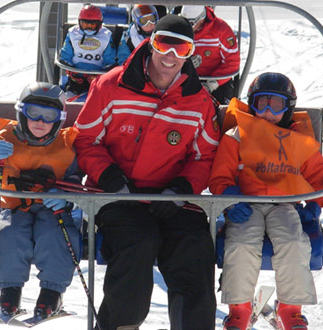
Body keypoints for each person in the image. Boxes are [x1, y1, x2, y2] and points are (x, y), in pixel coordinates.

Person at [73, 15, 220, 330]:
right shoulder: (113, 86)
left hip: (173, 200)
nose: (171, 56)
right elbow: (85, 139)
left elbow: (204, 155)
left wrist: (181, 190)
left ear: (191, 53)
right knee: (139, 241)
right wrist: (110, 177)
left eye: (182, 49)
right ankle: (120, 325)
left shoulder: (198, 100)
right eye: (164, 44)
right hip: (119, 196)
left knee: (193, 246)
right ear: (150, 43)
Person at [208, 72, 323, 330]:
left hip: (284, 204)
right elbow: (220, 175)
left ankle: (290, 309)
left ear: (288, 108)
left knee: (294, 241)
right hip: (246, 205)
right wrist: (229, 198)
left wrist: (315, 204)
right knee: (240, 243)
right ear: (252, 105)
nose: (269, 112)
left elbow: (316, 176)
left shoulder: (299, 141)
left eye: (277, 105)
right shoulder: (237, 135)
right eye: (263, 104)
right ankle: (239, 308)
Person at [0, 82, 82, 321]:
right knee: (8, 232)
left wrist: (66, 200)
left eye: (49, 116)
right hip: (12, 206)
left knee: (56, 235)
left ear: (59, 119)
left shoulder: (66, 146)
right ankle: (10, 293)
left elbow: (76, 182)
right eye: (33, 113)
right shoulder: (3, 139)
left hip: (52, 212)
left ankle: (51, 295)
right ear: (21, 113)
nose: (40, 121)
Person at [179, 5, 240, 105]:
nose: (187, 28)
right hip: (186, 80)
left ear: (201, 18)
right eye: (184, 22)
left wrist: (212, 85)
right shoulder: (180, 30)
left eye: (191, 23)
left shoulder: (221, 30)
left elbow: (232, 62)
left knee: (221, 113)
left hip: (217, 82)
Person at [59, 4, 116, 95]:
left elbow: (110, 57)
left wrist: (101, 74)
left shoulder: (105, 36)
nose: (89, 29)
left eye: (92, 26)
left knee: (97, 93)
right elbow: (66, 54)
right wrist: (72, 72)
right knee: (74, 90)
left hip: (97, 74)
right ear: (79, 23)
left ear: (99, 24)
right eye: (85, 25)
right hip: (77, 74)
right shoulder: (73, 34)